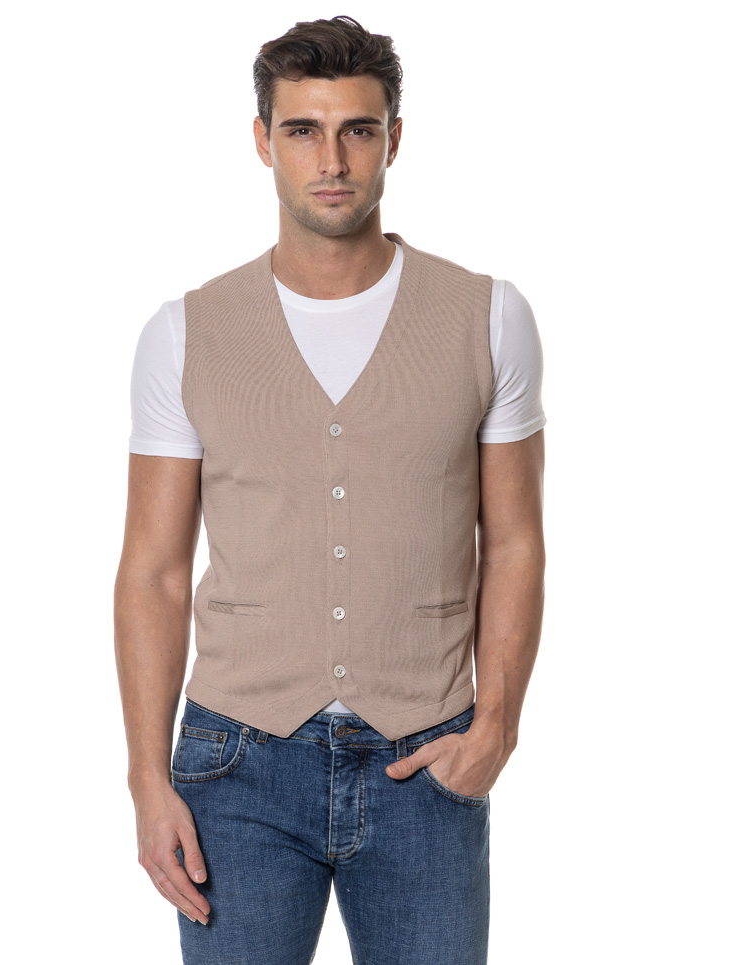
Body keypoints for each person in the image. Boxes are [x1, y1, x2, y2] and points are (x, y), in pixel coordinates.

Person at [114, 15, 546, 965]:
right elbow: (153, 569)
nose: (333, 159)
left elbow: (515, 539)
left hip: (427, 759)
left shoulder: (488, 317)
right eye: (303, 130)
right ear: (262, 139)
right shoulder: (184, 333)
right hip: (237, 764)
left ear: (395, 138)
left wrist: (497, 726)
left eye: (358, 129)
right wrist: (147, 778)